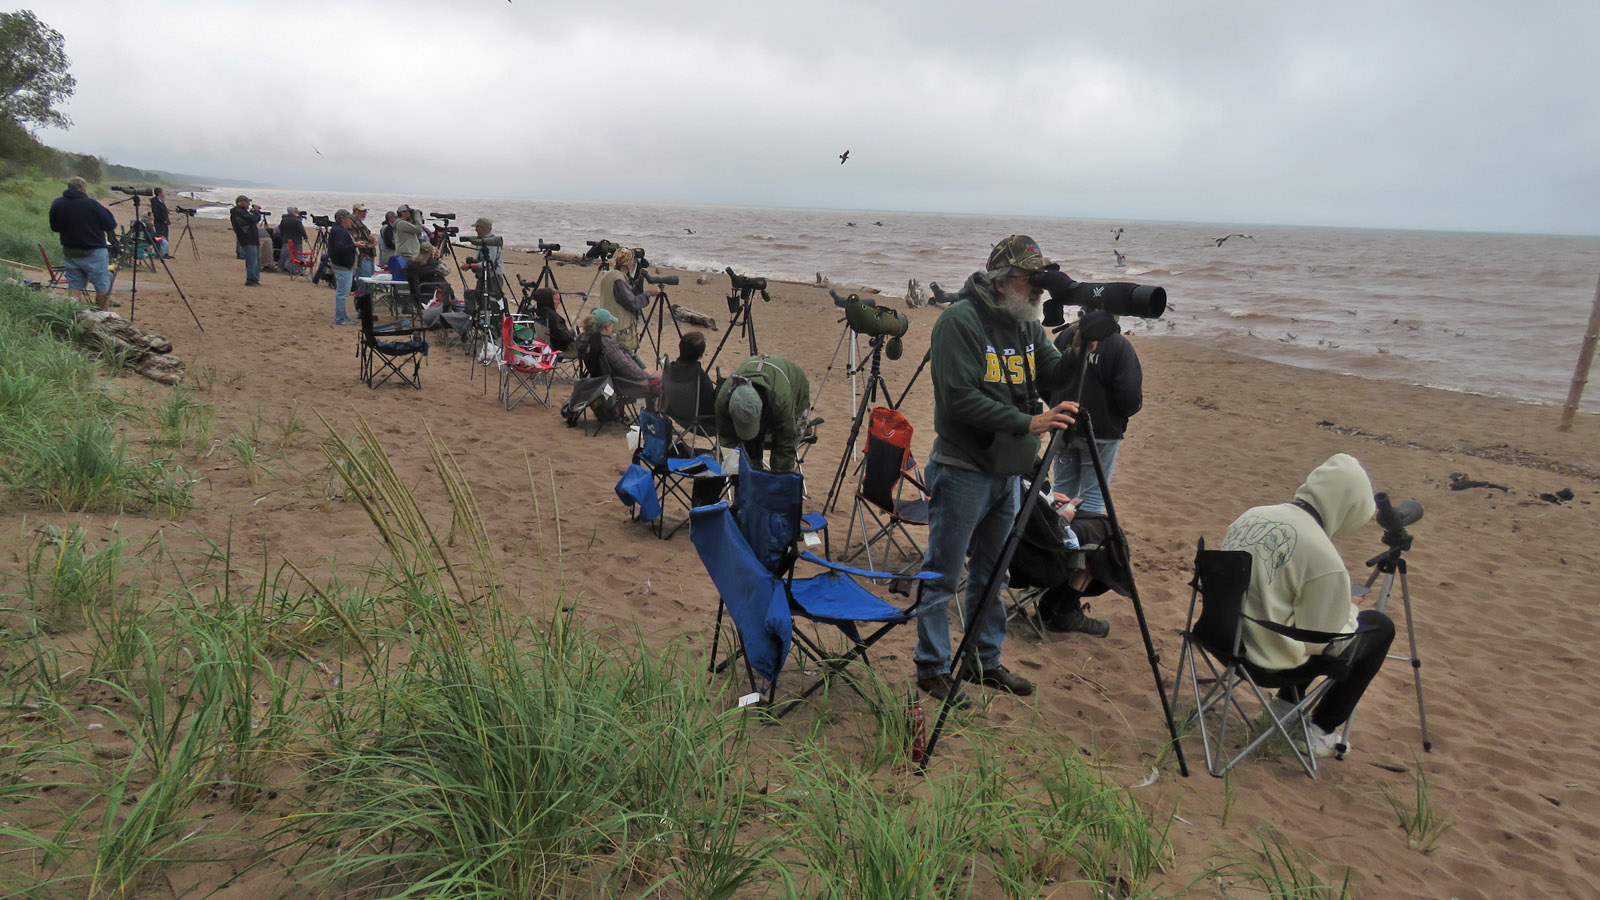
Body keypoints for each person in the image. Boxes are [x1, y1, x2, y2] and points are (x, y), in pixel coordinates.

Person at [913, 234, 1095, 704]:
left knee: (994, 575)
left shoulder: (1024, 324)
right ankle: (932, 666)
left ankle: (982, 660)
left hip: (1009, 473)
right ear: (999, 281)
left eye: (1041, 282)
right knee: (943, 574)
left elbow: (1053, 374)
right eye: (1028, 280)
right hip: (963, 469)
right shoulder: (960, 321)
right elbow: (959, 399)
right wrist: (1028, 421)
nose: (1037, 290)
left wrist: (1080, 348)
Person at [1220, 453, 1395, 757]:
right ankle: (1318, 730)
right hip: (1267, 663)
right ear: (1346, 508)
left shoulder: (1251, 515)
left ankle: (1284, 707)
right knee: (1379, 627)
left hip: (1223, 641)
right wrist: (1350, 608)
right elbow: (1326, 641)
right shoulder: (1322, 554)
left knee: (1288, 605)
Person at [1034, 318, 1144, 637]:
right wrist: (1118, 416)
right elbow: (1130, 395)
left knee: (1061, 497)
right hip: (1103, 432)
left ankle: (1055, 570)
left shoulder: (1069, 336)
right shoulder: (1120, 347)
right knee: (1093, 506)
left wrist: (1056, 407)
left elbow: (1047, 377)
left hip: (1065, 424)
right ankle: (1066, 591)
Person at [713, 354, 810, 474]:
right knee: (746, 453)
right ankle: (754, 470)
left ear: (761, 414)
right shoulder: (723, 401)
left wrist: (778, 479)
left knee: (784, 452)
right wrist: (734, 470)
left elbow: (786, 443)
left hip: (795, 392)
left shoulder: (781, 401)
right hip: (767, 388)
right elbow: (727, 438)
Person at [47, 176, 118, 310]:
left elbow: (54, 227)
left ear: (68, 187)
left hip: (70, 251)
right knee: (102, 286)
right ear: (84, 189)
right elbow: (110, 224)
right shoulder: (92, 204)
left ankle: (73, 317)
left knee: (74, 287)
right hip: (94, 252)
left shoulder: (57, 203)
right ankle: (104, 316)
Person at [595, 246, 654, 352]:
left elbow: (627, 295)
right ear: (627, 263)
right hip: (619, 330)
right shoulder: (618, 279)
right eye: (631, 260)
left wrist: (640, 281)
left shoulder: (610, 275)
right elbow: (633, 303)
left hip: (610, 325)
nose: (633, 263)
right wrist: (648, 294)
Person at [663, 331, 719, 434]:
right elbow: (710, 406)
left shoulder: (669, 369)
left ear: (680, 348)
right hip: (702, 424)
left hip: (677, 415)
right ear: (701, 355)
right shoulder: (699, 377)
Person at [393, 204, 441, 305]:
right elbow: (418, 229)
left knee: (414, 279)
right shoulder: (400, 223)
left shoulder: (405, 223)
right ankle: (412, 301)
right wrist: (417, 216)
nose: (409, 214)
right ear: (402, 213)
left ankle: (414, 301)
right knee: (412, 280)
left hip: (409, 253)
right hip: (407, 255)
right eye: (407, 212)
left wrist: (414, 217)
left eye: (410, 212)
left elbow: (415, 228)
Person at [458, 216, 504, 310]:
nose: (475, 230)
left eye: (476, 227)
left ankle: (500, 319)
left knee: (494, 303)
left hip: (493, 279)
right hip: (483, 277)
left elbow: (488, 264)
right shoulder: (482, 241)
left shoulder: (492, 243)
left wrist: (470, 266)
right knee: (480, 301)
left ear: (481, 228)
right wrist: (473, 264)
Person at [328, 209, 358, 325]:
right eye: (348, 218)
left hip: (341, 265)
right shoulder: (340, 231)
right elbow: (339, 248)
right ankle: (340, 318)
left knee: (342, 293)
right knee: (342, 294)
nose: (350, 221)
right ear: (342, 219)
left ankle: (343, 316)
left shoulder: (338, 230)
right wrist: (353, 245)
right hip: (342, 266)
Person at [229, 194, 261, 285]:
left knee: (256, 260)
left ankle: (255, 279)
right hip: (248, 239)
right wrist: (256, 212)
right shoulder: (238, 212)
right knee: (252, 261)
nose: (248, 204)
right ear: (241, 203)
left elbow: (252, 220)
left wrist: (254, 213)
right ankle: (251, 280)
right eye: (247, 202)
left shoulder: (242, 212)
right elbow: (253, 219)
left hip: (252, 239)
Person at [349, 202, 377, 281]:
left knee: (369, 279)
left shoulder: (358, 222)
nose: (364, 213)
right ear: (355, 211)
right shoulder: (352, 223)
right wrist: (373, 244)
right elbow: (357, 241)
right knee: (365, 280)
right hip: (362, 256)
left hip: (367, 255)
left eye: (365, 211)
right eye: (361, 211)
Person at [278, 207, 309, 275]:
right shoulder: (297, 220)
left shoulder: (284, 220)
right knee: (298, 255)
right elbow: (301, 229)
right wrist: (305, 237)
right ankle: (299, 269)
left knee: (287, 254)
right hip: (297, 240)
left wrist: (283, 236)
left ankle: (284, 267)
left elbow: (281, 229)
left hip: (286, 240)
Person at [150, 187, 172, 257]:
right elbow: (155, 213)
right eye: (163, 192)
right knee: (160, 237)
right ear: (159, 193)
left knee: (165, 237)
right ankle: (159, 252)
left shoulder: (161, 201)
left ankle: (165, 252)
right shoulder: (155, 201)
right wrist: (163, 220)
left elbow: (163, 211)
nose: (164, 194)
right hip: (159, 222)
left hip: (164, 222)